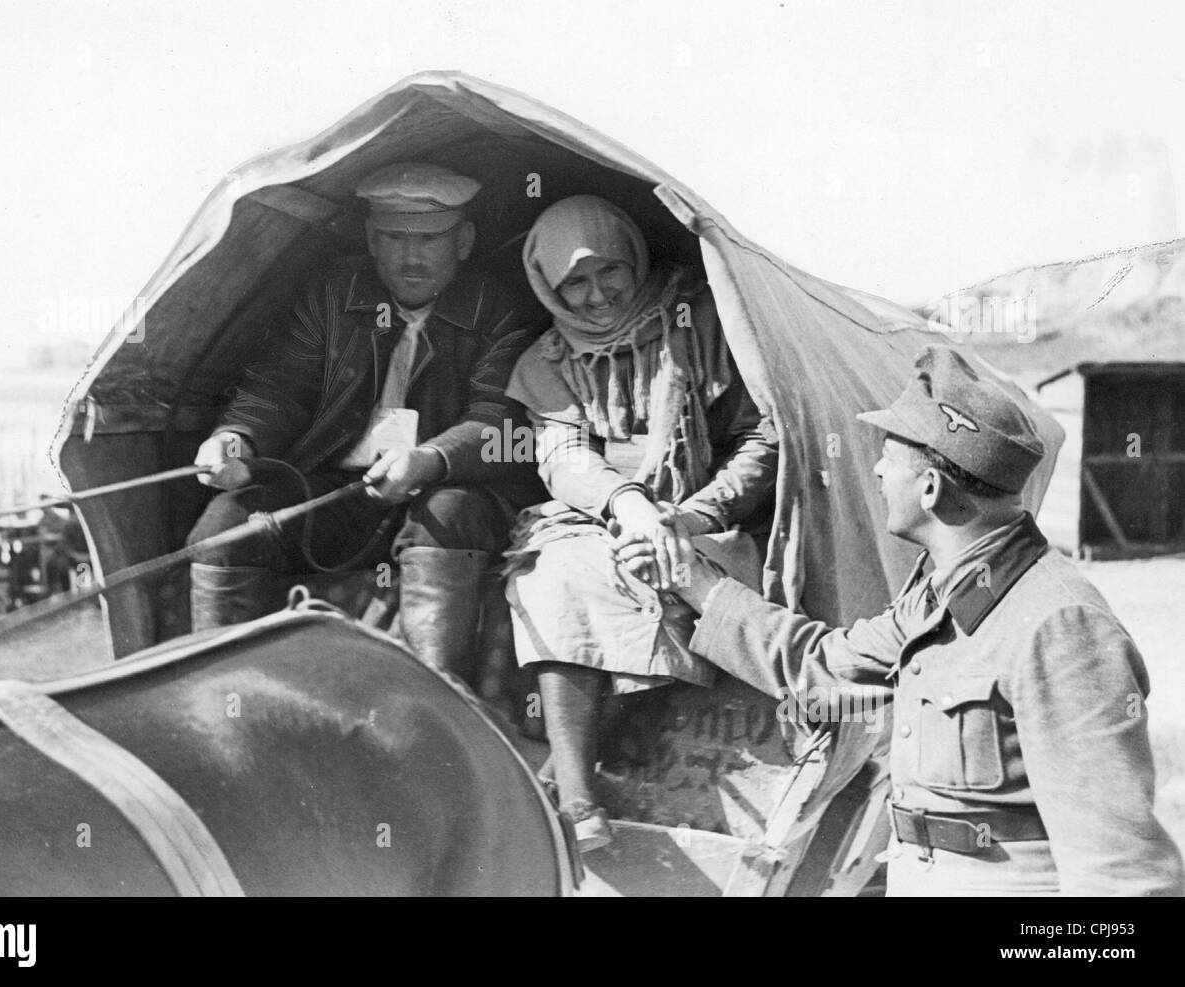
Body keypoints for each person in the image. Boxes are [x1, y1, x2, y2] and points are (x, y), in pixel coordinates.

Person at [665, 345, 1185, 895]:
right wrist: (694, 580)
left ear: (931, 489)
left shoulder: (1059, 624)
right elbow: (823, 667)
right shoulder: (941, 595)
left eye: (888, 457)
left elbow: (1122, 873)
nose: (877, 469)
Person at [187, 162, 546, 681]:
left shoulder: (500, 308)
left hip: (445, 490)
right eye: (394, 237)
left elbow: (499, 419)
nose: (412, 255)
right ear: (371, 240)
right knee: (225, 525)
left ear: (464, 241)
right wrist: (235, 437)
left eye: (430, 238)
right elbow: (279, 387)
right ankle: (221, 700)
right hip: (340, 493)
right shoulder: (333, 293)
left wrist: (429, 460)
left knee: (447, 512)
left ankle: (436, 709)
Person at [503, 195, 778, 851]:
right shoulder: (546, 360)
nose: (597, 295)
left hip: (699, 511)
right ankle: (576, 798)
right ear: (550, 286)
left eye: (610, 272)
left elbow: (762, 437)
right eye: (576, 282)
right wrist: (624, 502)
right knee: (556, 576)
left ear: (635, 257)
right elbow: (563, 455)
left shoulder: (703, 324)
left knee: (669, 579)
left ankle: (567, 768)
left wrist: (695, 510)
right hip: (593, 513)